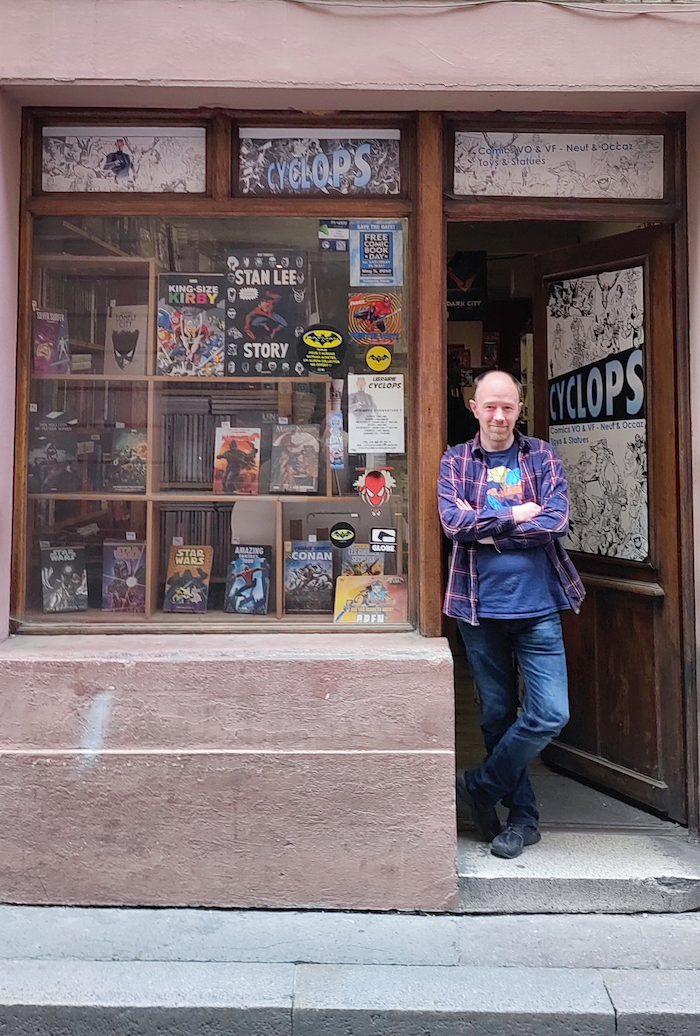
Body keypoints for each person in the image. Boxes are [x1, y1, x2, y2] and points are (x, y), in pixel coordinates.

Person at [438, 369, 585, 859]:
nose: (499, 416)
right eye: (490, 406)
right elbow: (453, 524)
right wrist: (521, 513)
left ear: (520, 408)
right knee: (497, 715)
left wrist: (488, 528)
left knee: (549, 713)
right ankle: (522, 819)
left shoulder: (540, 454)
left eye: (508, 407)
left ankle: (479, 783)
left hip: (538, 606)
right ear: (474, 406)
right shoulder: (455, 461)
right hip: (477, 610)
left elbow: (556, 519)